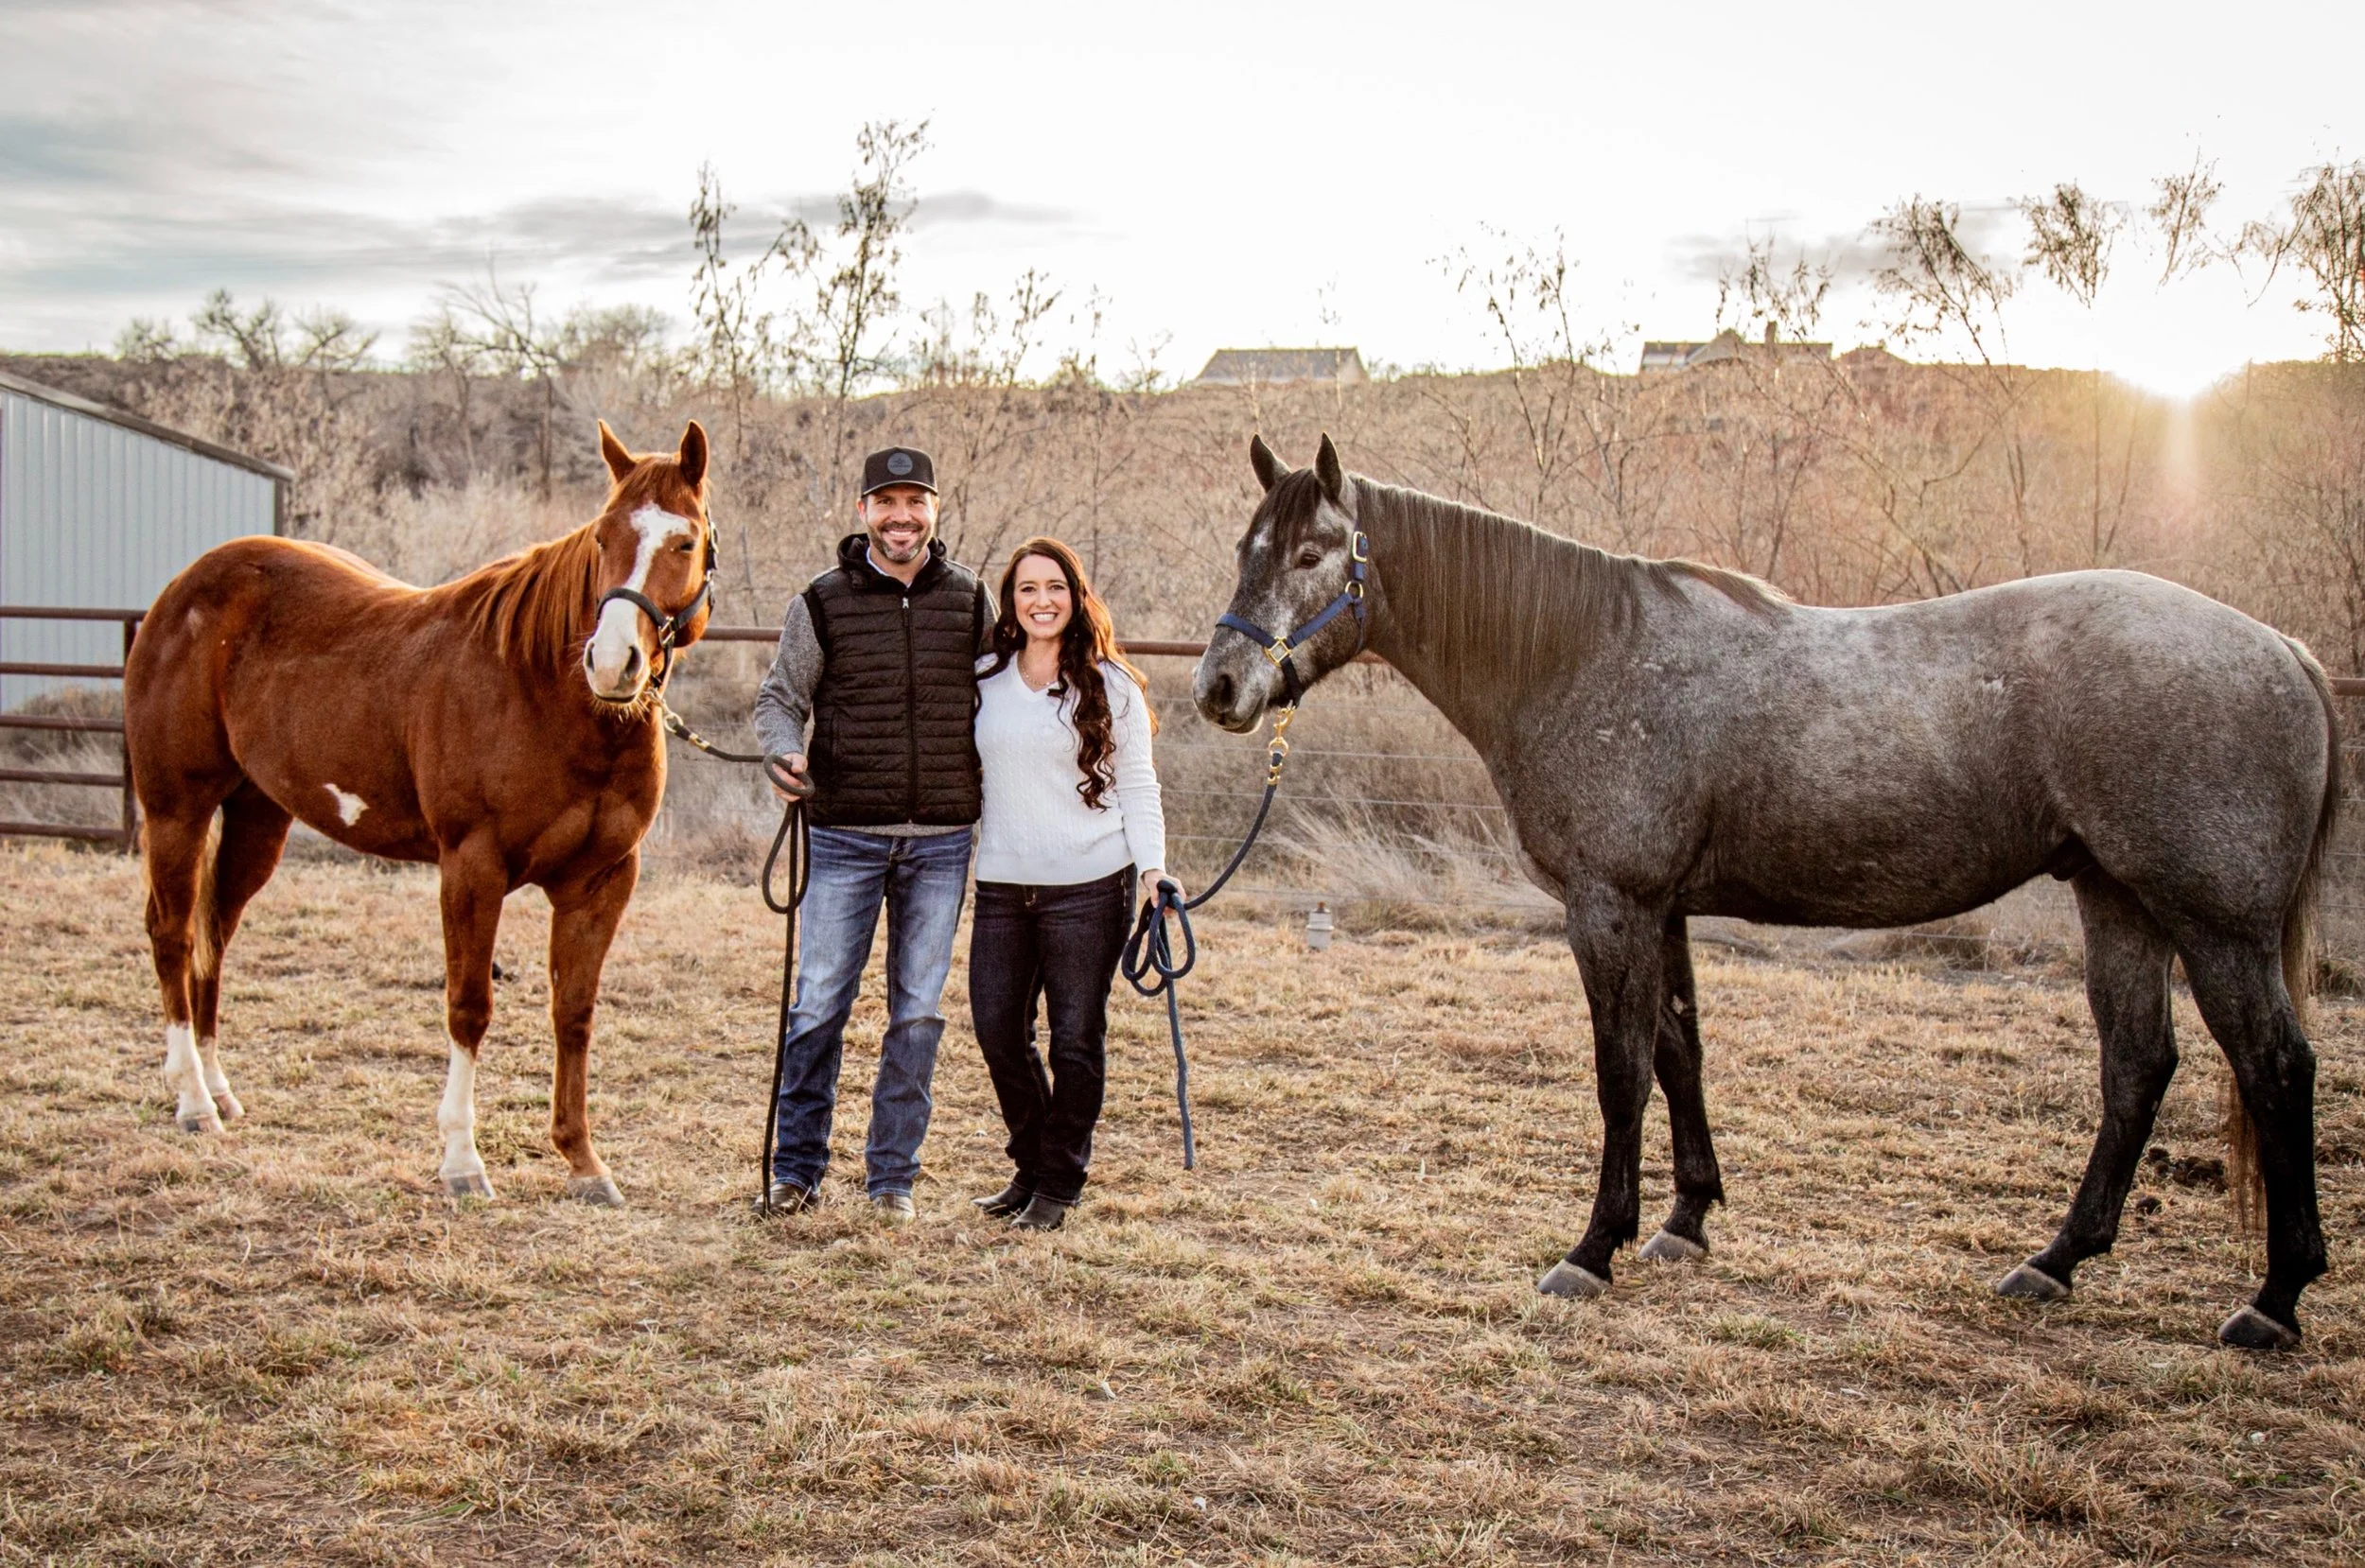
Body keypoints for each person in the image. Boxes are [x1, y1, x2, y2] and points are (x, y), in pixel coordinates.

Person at [752, 445, 992, 1225]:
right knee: (819, 1000)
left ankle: (893, 1180)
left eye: (914, 501)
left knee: (918, 1011)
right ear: (863, 513)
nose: (901, 517)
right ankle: (796, 1171)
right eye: (885, 502)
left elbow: (1014, 698)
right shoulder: (820, 603)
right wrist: (784, 749)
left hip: (942, 840)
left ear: (935, 508)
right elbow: (779, 699)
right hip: (846, 835)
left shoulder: (972, 600)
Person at [967, 536, 1173, 1230]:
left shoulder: (1110, 683)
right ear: (1011, 601)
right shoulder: (984, 677)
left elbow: (1139, 784)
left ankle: (1058, 1183)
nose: (1041, 601)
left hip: (1089, 884)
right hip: (1001, 882)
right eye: (1027, 589)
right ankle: (1031, 1164)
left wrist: (1153, 869)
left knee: (1076, 1039)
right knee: (998, 1030)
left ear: (1075, 596)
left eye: (1054, 587)